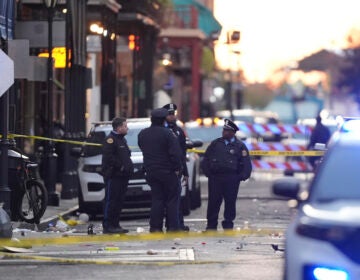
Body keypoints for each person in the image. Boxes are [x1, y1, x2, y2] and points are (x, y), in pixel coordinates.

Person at [201, 118, 252, 231]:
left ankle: (228, 225)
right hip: (216, 178)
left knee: (230, 202)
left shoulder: (239, 146)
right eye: (224, 130)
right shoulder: (215, 144)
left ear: (233, 132)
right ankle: (211, 225)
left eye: (228, 131)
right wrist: (208, 173)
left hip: (231, 178)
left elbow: (246, 162)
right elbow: (206, 159)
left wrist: (242, 176)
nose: (224, 132)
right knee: (213, 202)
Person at [138, 108, 183, 233]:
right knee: (172, 200)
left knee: (157, 199)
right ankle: (173, 227)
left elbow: (143, 148)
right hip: (168, 172)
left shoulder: (143, 134)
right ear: (164, 120)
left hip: (151, 171)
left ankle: (155, 227)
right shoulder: (168, 134)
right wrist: (178, 168)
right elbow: (175, 154)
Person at [101, 117, 134, 234]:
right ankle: (108, 225)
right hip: (114, 176)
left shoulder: (121, 139)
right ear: (119, 128)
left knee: (119, 201)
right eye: (125, 126)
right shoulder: (110, 139)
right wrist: (121, 166)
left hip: (123, 176)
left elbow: (126, 155)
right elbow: (109, 158)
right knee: (112, 200)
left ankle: (115, 224)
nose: (127, 128)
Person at [163, 103, 190, 231]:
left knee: (177, 198)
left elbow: (182, 153)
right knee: (168, 199)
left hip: (177, 169)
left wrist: (185, 171)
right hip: (166, 169)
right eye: (169, 114)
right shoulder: (162, 130)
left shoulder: (179, 130)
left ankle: (178, 223)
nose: (172, 117)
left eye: (173, 114)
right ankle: (170, 224)